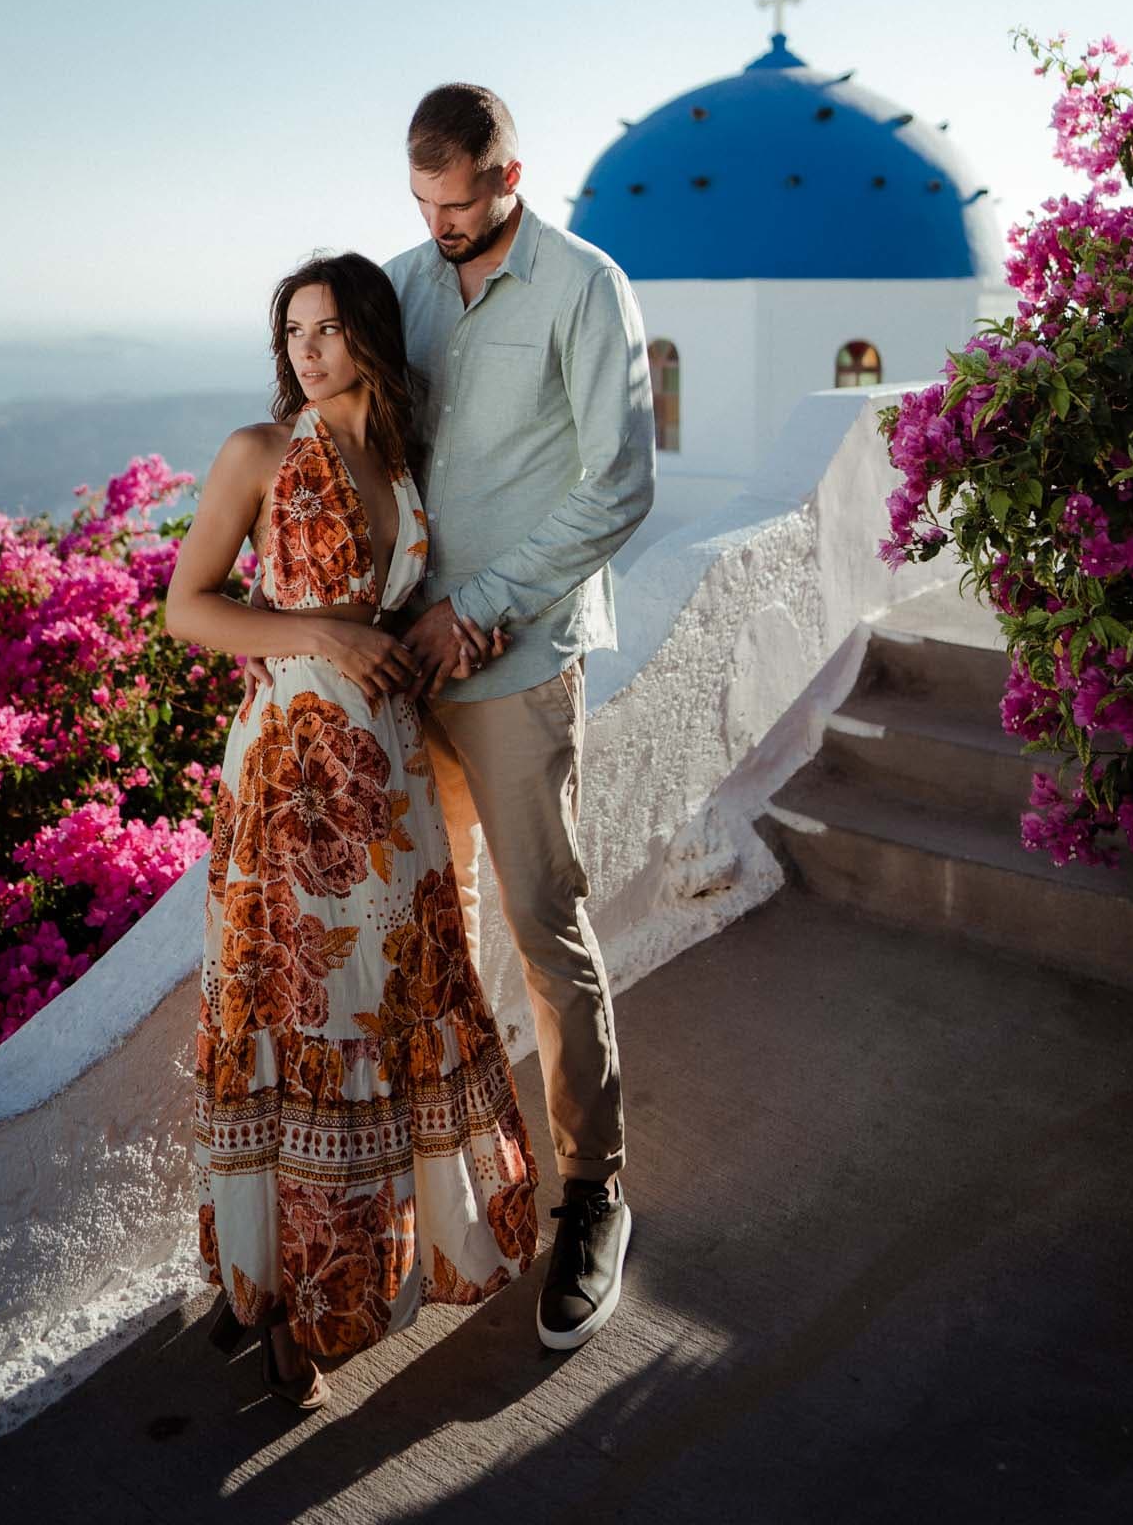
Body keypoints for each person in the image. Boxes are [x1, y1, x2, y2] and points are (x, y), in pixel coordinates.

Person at [164, 252, 539, 1410]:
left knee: (395, 1010)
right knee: (305, 1018)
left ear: (373, 336)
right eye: (293, 331)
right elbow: (189, 607)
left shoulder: (406, 467)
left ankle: (354, 1285)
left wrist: (441, 635)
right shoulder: (261, 455)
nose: (309, 350)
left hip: (393, 787)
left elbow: (409, 607)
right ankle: (283, 1314)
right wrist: (321, 635)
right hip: (291, 785)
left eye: (329, 328)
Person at [387, 81, 656, 1352]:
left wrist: (481, 604)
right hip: (397, 665)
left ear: (509, 175)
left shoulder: (585, 285)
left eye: (462, 201)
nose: (444, 226)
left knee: (547, 932)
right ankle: (440, 1196)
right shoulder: (397, 280)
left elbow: (620, 481)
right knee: (422, 933)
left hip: (514, 663)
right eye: (424, 203)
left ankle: (592, 1195)